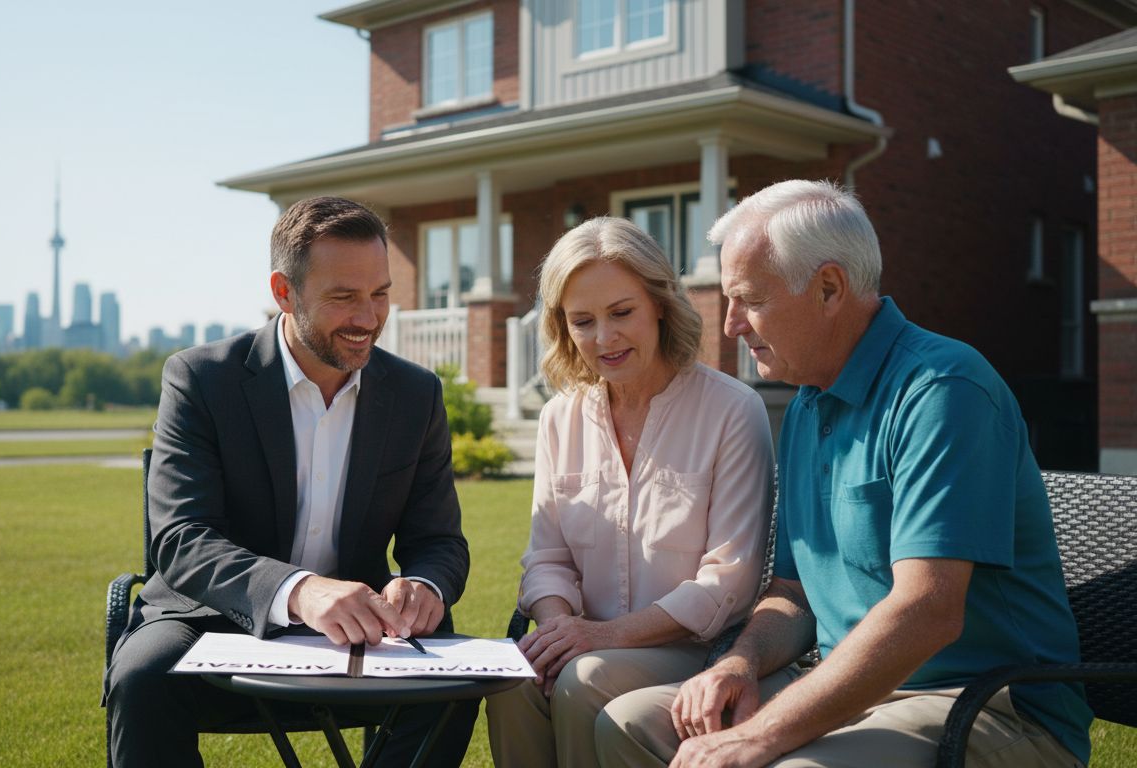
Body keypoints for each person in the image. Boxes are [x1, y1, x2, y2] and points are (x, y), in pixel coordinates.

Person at [595, 179, 1091, 768]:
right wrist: (740, 663)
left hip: (984, 705)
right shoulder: (807, 402)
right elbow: (793, 593)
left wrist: (764, 732)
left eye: (749, 299)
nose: (730, 326)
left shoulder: (943, 391)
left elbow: (928, 610)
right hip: (850, 690)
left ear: (828, 288)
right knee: (628, 724)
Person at [104, 196, 475, 768]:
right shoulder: (201, 379)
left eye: (380, 294)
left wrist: (426, 584)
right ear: (284, 292)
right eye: (344, 297)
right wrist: (301, 591)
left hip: (362, 628)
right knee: (142, 675)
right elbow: (181, 538)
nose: (369, 318)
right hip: (209, 615)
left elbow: (440, 541)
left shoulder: (415, 394)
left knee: (452, 687)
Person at [486, 217, 775, 768]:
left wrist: (601, 637)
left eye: (622, 313)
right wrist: (557, 630)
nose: (604, 338)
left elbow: (729, 581)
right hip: (586, 641)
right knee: (513, 677)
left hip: (697, 649)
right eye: (582, 321)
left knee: (581, 677)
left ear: (660, 304)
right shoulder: (557, 418)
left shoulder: (733, 410)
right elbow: (546, 559)